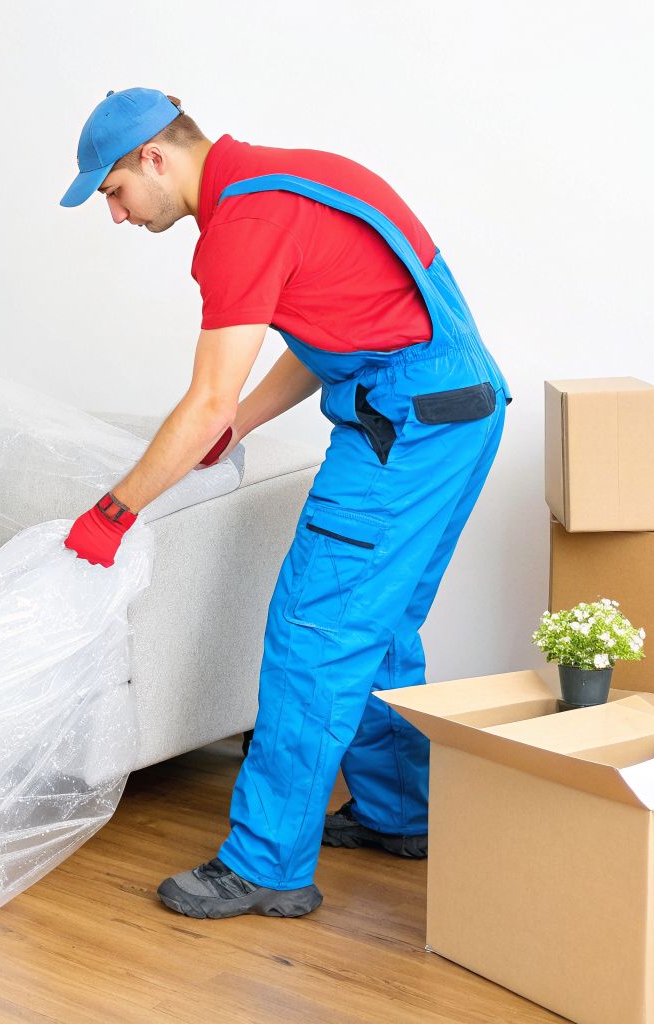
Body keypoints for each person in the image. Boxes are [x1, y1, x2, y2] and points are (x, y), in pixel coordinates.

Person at [58, 88, 508, 918]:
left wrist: (112, 514)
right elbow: (330, 333)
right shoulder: (291, 181)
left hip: (404, 426)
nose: (116, 215)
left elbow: (203, 403)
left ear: (154, 156)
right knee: (378, 625)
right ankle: (400, 812)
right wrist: (242, 425)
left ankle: (265, 864)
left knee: (316, 632)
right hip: (458, 408)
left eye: (113, 191)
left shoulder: (242, 226)